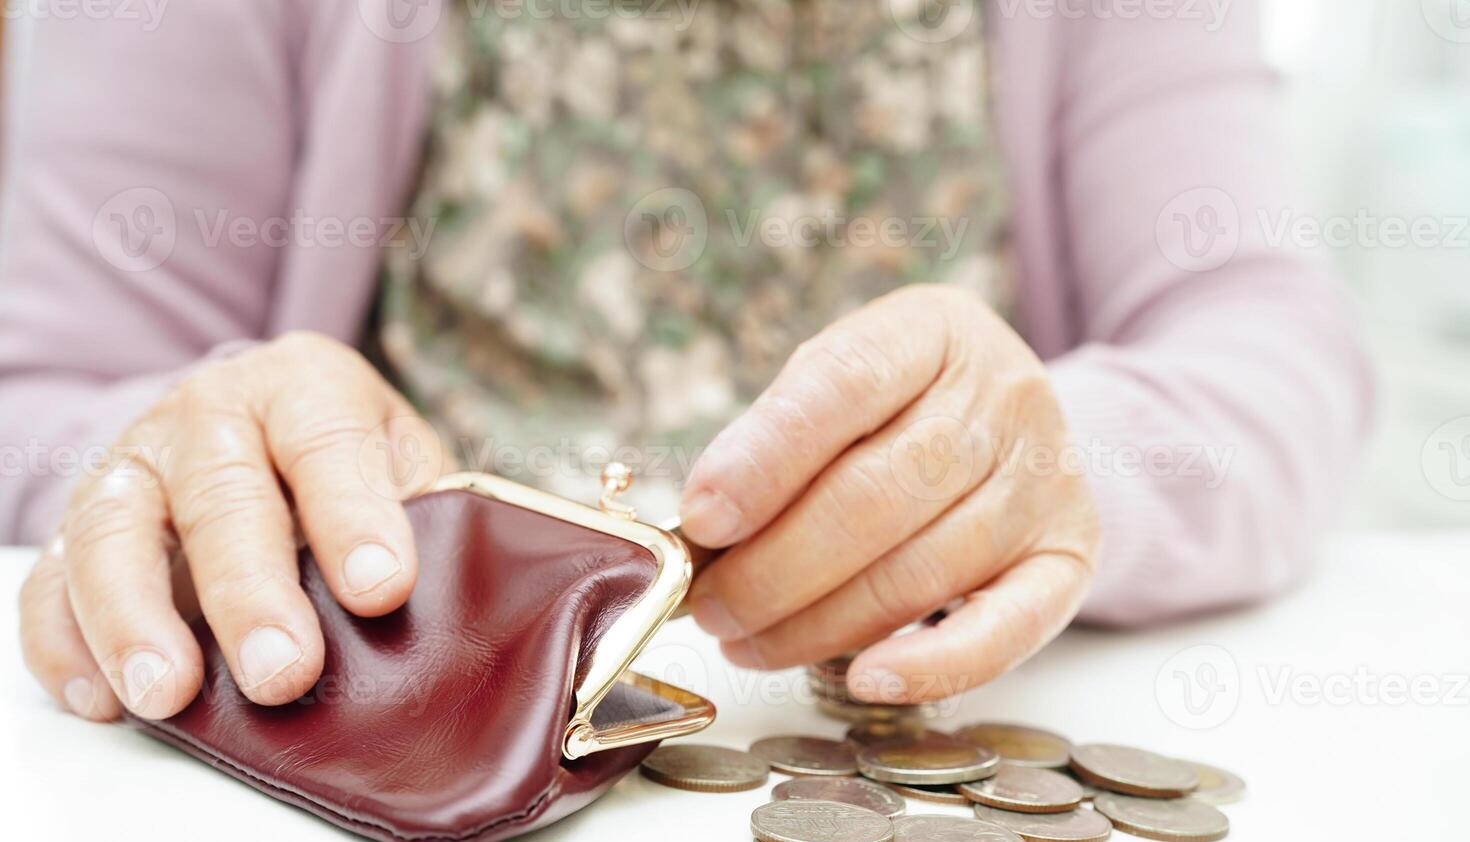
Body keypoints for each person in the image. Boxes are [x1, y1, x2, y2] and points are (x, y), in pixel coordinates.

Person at [3, 0, 1371, 724]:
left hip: (912, 738)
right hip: (393, 741)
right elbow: (40, 393)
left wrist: (1060, 463)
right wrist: (198, 474)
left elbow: (1277, 356)